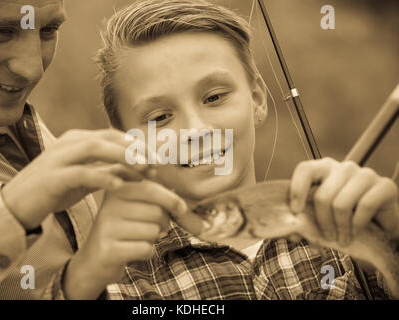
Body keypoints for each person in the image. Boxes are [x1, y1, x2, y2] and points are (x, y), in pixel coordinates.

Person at [77, 0, 398, 300]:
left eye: (214, 97)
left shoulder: (345, 233)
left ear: (257, 98)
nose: (197, 130)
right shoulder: (116, 287)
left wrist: (391, 241)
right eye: (160, 117)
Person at [0, 0, 187, 299]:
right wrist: (14, 209)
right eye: (1, 32)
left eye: (49, 30)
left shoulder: (16, 125)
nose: (32, 69)